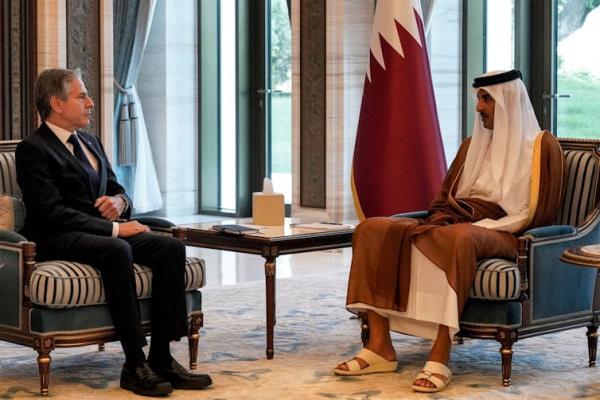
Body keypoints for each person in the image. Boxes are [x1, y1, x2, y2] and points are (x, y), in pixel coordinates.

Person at [333, 70, 564, 393]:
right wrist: (449, 219)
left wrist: (477, 224)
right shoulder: (473, 146)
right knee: (372, 229)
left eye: (487, 100)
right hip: (457, 221)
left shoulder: (541, 148)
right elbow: (443, 199)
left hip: (508, 231)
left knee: (457, 237)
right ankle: (379, 346)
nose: (479, 107)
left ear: (508, 102)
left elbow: (538, 212)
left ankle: (441, 353)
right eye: (479, 99)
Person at [16, 68, 212, 397]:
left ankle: (161, 359)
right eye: (81, 96)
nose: (90, 102)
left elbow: (120, 190)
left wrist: (119, 203)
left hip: (99, 231)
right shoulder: (33, 149)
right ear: (57, 104)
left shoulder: (90, 141)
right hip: (58, 236)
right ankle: (134, 364)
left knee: (170, 249)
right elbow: (50, 213)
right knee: (117, 249)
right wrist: (116, 228)